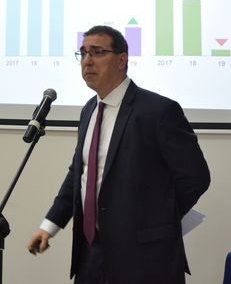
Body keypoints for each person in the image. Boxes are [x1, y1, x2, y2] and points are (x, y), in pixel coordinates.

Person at [26, 25, 210, 284]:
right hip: (91, 253)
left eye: (97, 52)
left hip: (146, 259)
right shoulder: (89, 110)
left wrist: (156, 219)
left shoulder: (158, 111)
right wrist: (50, 225)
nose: (87, 61)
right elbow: (80, 173)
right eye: (83, 53)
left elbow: (196, 177)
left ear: (122, 60)